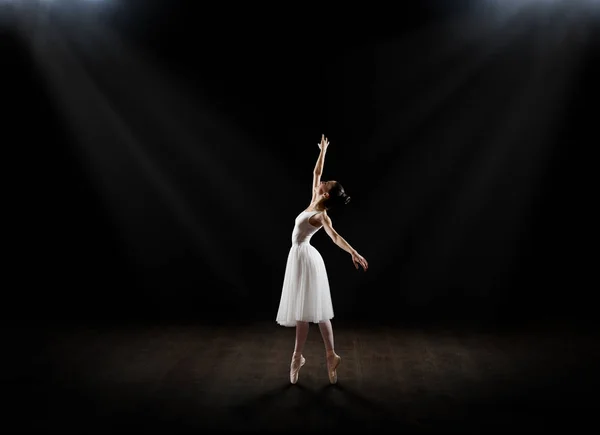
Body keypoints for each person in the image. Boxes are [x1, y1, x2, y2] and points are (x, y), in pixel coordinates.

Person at [276, 134, 369, 385]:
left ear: (326, 195)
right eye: (325, 181)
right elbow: (317, 172)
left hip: (305, 259)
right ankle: (314, 357)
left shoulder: (321, 215)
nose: (322, 181)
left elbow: (335, 237)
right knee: (304, 311)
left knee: (313, 311)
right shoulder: (313, 200)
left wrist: (353, 252)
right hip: (298, 256)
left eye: (326, 184)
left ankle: (318, 356)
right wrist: (323, 151)